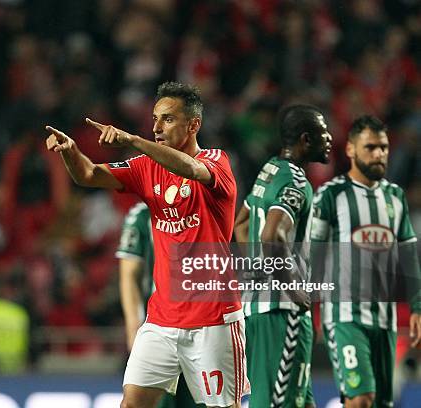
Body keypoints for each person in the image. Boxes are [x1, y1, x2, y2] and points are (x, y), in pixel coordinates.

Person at [46, 81, 247, 408]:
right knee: (132, 403)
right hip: (162, 319)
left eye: (167, 119)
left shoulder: (217, 161)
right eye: (154, 118)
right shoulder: (145, 168)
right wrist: (71, 151)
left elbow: (192, 168)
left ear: (193, 125)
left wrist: (132, 140)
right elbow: (88, 175)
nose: (156, 127)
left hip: (214, 319)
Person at [310, 115, 421, 408]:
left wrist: (419, 306)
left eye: (383, 147)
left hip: (385, 320)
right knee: (361, 398)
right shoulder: (332, 195)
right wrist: (308, 309)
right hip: (345, 317)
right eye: (370, 147)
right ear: (350, 150)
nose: (379, 153)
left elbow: (409, 256)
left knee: (380, 403)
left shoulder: (395, 196)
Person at [233, 104, 332, 408]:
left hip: (256, 308)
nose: (329, 137)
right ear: (305, 139)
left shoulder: (270, 170)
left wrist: (256, 270)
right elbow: (271, 236)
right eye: (322, 132)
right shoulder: (296, 181)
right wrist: (293, 288)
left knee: (301, 402)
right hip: (280, 312)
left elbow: (242, 223)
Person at [117, 202, 205, 408]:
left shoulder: (204, 205)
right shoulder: (142, 214)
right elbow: (128, 274)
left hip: (202, 324)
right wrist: (133, 324)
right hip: (162, 326)